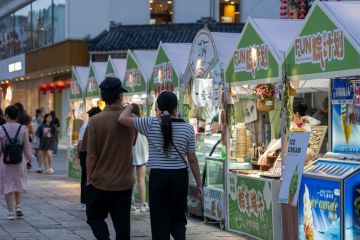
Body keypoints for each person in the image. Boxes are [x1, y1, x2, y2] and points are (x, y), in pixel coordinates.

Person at [118, 91, 203, 240]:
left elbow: (122, 118)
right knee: (178, 217)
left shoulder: (150, 123)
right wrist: (199, 184)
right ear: (176, 107)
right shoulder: (188, 128)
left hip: (158, 177)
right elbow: (192, 159)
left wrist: (131, 106)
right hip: (179, 176)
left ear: (157, 107)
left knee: (159, 219)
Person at [86, 77, 136, 240]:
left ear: (102, 98)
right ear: (120, 96)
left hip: (100, 182)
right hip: (124, 182)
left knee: (94, 217)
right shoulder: (131, 120)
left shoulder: (94, 121)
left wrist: (89, 178)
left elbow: (91, 155)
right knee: (123, 227)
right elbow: (133, 142)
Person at [0, 105, 32, 220]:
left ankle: (11, 213)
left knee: (8, 186)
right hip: (20, 161)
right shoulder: (23, 128)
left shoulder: (1, 129)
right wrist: (28, 159)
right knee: (18, 183)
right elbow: (27, 147)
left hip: (6, 162)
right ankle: (18, 206)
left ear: (6, 115)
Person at [77, 106, 101, 211]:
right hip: (87, 153)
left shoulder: (88, 124)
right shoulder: (89, 125)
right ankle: (85, 201)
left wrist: (78, 154)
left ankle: (86, 201)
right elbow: (80, 143)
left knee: (87, 177)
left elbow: (80, 143)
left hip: (86, 152)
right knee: (87, 177)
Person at [131, 104, 149, 212]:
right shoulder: (143, 122)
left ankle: (131, 203)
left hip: (131, 152)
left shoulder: (129, 121)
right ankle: (143, 204)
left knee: (131, 179)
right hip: (142, 153)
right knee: (141, 179)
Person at [14, 102, 34, 169]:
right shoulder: (27, 117)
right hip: (26, 136)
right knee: (27, 149)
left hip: (16, 136)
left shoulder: (14, 117)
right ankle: (28, 162)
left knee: (17, 150)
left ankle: (18, 162)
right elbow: (32, 129)